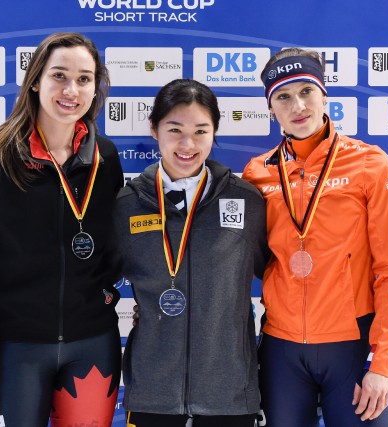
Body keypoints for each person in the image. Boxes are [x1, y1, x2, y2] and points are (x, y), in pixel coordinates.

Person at [0, 32, 124, 427]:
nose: (71, 90)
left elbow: (114, 245)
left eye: (84, 79)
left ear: (96, 88)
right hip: (17, 349)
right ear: (36, 80)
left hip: (93, 345)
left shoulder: (105, 157)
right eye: (59, 75)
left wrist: (105, 294)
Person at [242, 48, 388, 426]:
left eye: (307, 91)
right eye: (283, 96)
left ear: (324, 95)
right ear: (271, 108)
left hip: (351, 347)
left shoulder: (371, 163)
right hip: (281, 351)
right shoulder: (256, 174)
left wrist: (382, 365)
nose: (297, 105)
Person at [112, 79, 269, 427]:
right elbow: (96, 284)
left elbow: (278, 276)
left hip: (229, 396)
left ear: (214, 132)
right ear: (154, 129)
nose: (188, 144)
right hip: (153, 394)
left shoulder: (247, 200)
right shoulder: (128, 205)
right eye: (175, 129)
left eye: (201, 131)